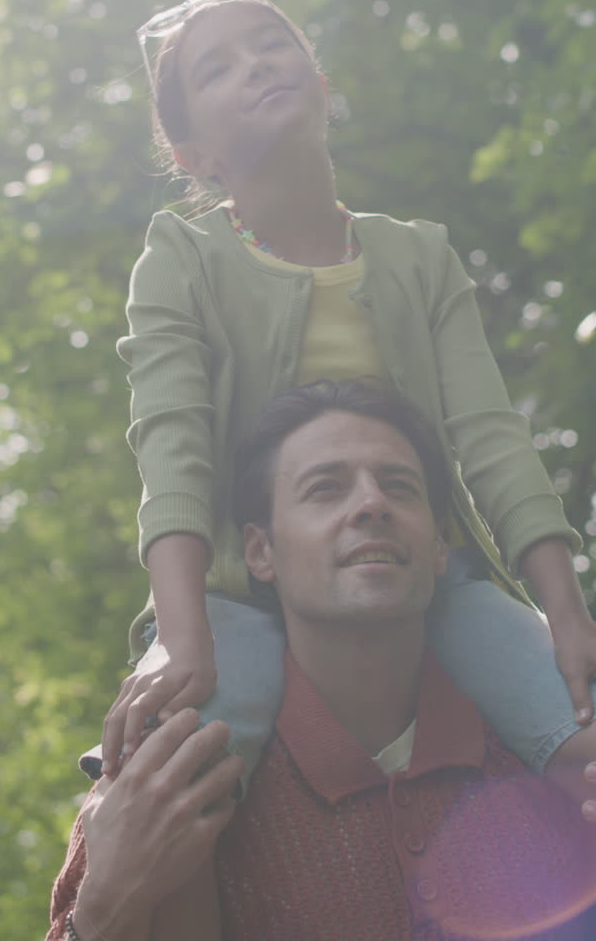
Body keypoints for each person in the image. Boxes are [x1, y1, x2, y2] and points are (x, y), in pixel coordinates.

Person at [97, 0, 596, 803]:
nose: (255, 65)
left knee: (570, 712)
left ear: (320, 84)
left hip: (431, 569)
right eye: (216, 69)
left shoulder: (420, 257)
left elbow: (492, 438)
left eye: (270, 43)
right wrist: (179, 637)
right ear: (193, 158)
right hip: (236, 590)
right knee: (183, 763)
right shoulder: (182, 261)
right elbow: (171, 448)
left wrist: (567, 614)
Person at [50, 380, 596, 941]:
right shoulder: (168, 788)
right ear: (261, 551)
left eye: (399, 486)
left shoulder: (557, 769)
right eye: (326, 488)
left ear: (439, 547)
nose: (372, 504)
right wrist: (105, 906)